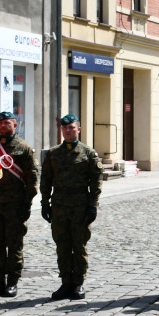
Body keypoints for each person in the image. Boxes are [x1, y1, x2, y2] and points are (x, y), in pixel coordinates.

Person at [40, 114, 103, 300]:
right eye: (64, 128)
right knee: (62, 246)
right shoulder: (53, 153)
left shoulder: (88, 153)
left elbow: (96, 182)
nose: (67, 130)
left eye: (71, 127)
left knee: (79, 245)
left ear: (78, 129)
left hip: (80, 208)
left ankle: (78, 283)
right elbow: (46, 181)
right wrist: (45, 203)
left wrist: (93, 206)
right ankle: (65, 282)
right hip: (59, 208)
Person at [0, 111, 39, 298]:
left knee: (14, 245)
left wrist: (28, 203)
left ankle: (12, 283)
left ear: (15, 125)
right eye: (0, 123)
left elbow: (32, 177)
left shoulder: (23, 148)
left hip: (16, 206)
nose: (4, 126)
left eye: (8, 123)